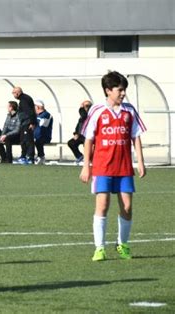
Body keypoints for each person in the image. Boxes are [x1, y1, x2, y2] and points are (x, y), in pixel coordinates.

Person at [79, 71, 146, 262]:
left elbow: (136, 137)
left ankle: (122, 244)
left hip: (124, 167)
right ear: (108, 90)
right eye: (120, 90)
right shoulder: (97, 110)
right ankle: (99, 248)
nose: (123, 93)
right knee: (103, 205)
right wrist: (86, 166)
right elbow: (89, 140)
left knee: (127, 206)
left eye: (124, 90)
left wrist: (140, 162)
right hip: (102, 167)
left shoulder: (129, 111)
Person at [12, 86, 37, 165]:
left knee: (28, 140)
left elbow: (30, 112)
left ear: (18, 93)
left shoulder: (24, 100)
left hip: (27, 123)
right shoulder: (23, 99)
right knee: (23, 140)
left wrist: (32, 123)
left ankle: (30, 157)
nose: (13, 95)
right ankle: (23, 156)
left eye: (13, 93)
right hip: (24, 123)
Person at [68, 100, 92, 164]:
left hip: (89, 136)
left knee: (87, 145)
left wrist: (81, 108)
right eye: (86, 106)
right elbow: (78, 126)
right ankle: (79, 156)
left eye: (89, 106)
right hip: (82, 135)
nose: (88, 108)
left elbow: (84, 115)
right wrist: (76, 134)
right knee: (71, 143)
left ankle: (89, 160)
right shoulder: (81, 118)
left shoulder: (91, 115)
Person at [33, 100, 53, 165]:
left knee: (38, 140)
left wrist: (35, 136)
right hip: (36, 136)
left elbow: (42, 127)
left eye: (34, 106)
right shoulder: (35, 115)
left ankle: (41, 156)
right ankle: (30, 156)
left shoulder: (46, 115)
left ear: (38, 107)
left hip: (45, 136)